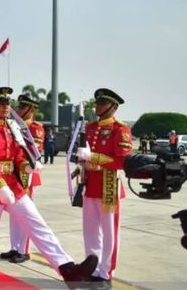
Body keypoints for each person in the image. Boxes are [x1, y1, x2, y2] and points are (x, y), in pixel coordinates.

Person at [0, 86, 98, 288]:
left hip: (13, 184)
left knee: (38, 224)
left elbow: (18, 155)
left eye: (7, 103)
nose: (5, 107)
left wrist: (27, 165)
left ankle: (67, 269)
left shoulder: (12, 127)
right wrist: (0, 184)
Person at [76, 88, 133, 289]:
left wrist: (92, 157)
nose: (98, 106)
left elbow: (122, 160)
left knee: (109, 232)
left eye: (102, 103)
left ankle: (105, 272)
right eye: (97, 103)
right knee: (90, 230)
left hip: (109, 185)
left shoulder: (120, 129)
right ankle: (92, 267)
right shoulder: (90, 127)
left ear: (113, 107)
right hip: (90, 183)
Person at [0, 94, 44, 264]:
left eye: (23, 107)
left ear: (31, 109)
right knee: (15, 213)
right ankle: (15, 247)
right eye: (19, 106)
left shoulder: (35, 128)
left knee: (26, 213)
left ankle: (24, 250)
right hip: (13, 173)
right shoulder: (13, 126)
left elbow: (35, 149)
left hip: (27, 174)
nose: (19, 110)